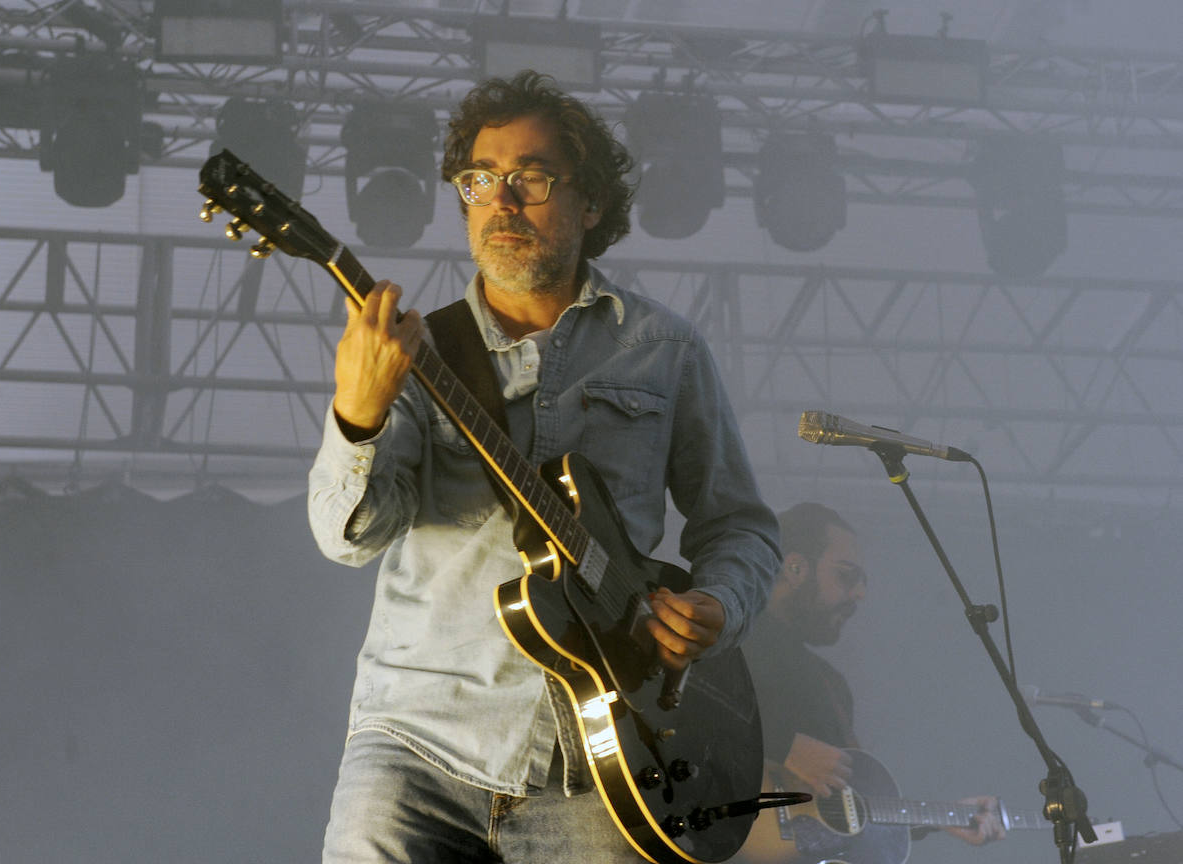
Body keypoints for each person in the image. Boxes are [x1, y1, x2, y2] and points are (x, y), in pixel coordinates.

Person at [307, 71, 780, 863]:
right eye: (479, 179)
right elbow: (349, 537)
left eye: (530, 177)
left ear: (590, 204)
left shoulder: (664, 349)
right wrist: (357, 416)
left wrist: (716, 608)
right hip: (416, 744)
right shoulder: (420, 357)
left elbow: (740, 529)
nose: (501, 200)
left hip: (604, 763)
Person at [741, 501, 1006, 853]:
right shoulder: (728, 638)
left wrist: (943, 817)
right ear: (795, 567)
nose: (860, 594)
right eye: (846, 575)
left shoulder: (830, 684)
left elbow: (845, 812)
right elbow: (680, 720)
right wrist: (785, 746)